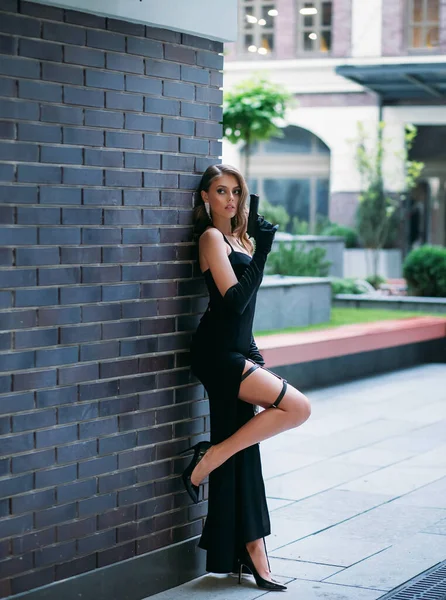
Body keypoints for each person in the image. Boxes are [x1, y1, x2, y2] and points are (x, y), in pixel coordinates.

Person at [181, 164, 311, 591]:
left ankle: (249, 553)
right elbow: (234, 301)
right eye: (221, 191)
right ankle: (210, 458)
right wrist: (266, 249)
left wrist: (255, 356)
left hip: (237, 351)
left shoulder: (240, 239)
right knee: (297, 407)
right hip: (216, 354)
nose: (231, 200)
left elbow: (246, 314)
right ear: (206, 197)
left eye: (236, 191)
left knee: (247, 449)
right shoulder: (211, 238)